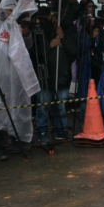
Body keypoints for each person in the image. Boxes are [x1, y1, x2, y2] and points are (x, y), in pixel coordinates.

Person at [0, 0, 40, 158]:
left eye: (14, 10)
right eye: (9, 10)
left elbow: (26, 49)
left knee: (7, 111)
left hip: (10, 78)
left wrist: (24, 34)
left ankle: (5, 144)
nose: (12, 13)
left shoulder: (14, 27)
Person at [28, 9, 78, 146]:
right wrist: (51, 45)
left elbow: (74, 53)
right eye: (52, 18)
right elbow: (37, 55)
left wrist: (63, 38)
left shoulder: (66, 33)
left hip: (61, 78)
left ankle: (61, 131)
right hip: (45, 78)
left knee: (60, 108)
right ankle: (42, 132)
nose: (55, 21)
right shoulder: (41, 34)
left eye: (57, 18)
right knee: (42, 109)